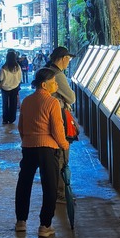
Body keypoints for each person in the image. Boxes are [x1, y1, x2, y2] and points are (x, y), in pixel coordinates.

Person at [14, 67, 69, 237]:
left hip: (28, 147)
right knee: (49, 185)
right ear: (44, 85)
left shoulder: (27, 101)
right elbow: (57, 130)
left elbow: (21, 127)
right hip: (47, 149)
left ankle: (21, 221)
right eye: (53, 83)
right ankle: (45, 225)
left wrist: (27, 140)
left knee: (24, 183)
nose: (56, 86)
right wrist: (64, 144)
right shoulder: (53, 103)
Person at [46, 46, 77, 201]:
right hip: (58, 117)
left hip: (49, 116)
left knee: (56, 154)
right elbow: (71, 98)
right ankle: (60, 191)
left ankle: (57, 190)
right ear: (63, 58)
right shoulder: (58, 75)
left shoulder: (48, 71)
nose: (68, 62)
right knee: (62, 153)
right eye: (68, 59)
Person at [0, 49, 23, 124]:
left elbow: (0, 78)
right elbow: (20, 78)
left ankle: (5, 119)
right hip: (14, 87)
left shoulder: (4, 67)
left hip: (5, 88)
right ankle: (12, 119)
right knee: (13, 103)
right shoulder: (17, 67)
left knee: (5, 103)